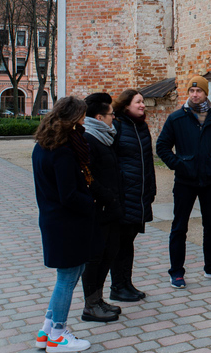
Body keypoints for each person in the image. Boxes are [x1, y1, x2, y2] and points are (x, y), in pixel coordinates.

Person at [156, 75, 211, 288]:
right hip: (185, 181)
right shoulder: (177, 118)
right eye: (191, 91)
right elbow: (162, 146)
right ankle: (176, 272)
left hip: (210, 181)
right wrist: (179, 164)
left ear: (205, 93)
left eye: (198, 91)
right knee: (179, 227)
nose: (194, 95)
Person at [32, 96, 94, 352]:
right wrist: (92, 203)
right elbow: (68, 194)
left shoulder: (43, 145)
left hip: (53, 219)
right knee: (67, 278)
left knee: (71, 274)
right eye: (81, 116)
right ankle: (58, 334)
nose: (83, 121)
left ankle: (45, 330)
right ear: (71, 118)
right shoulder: (62, 151)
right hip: (66, 223)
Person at [80, 93, 123, 322]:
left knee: (109, 253)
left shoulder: (106, 137)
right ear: (99, 117)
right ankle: (90, 305)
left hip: (111, 207)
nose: (113, 118)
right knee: (95, 257)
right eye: (110, 115)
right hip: (100, 209)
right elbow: (89, 177)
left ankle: (98, 298)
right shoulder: (90, 139)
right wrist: (106, 197)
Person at [109, 89, 156, 302]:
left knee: (128, 242)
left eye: (143, 101)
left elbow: (148, 163)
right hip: (125, 195)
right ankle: (118, 286)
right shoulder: (117, 126)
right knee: (120, 243)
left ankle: (126, 283)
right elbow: (111, 162)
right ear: (126, 105)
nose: (142, 105)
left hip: (140, 194)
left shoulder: (142, 127)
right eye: (138, 102)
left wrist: (151, 189)